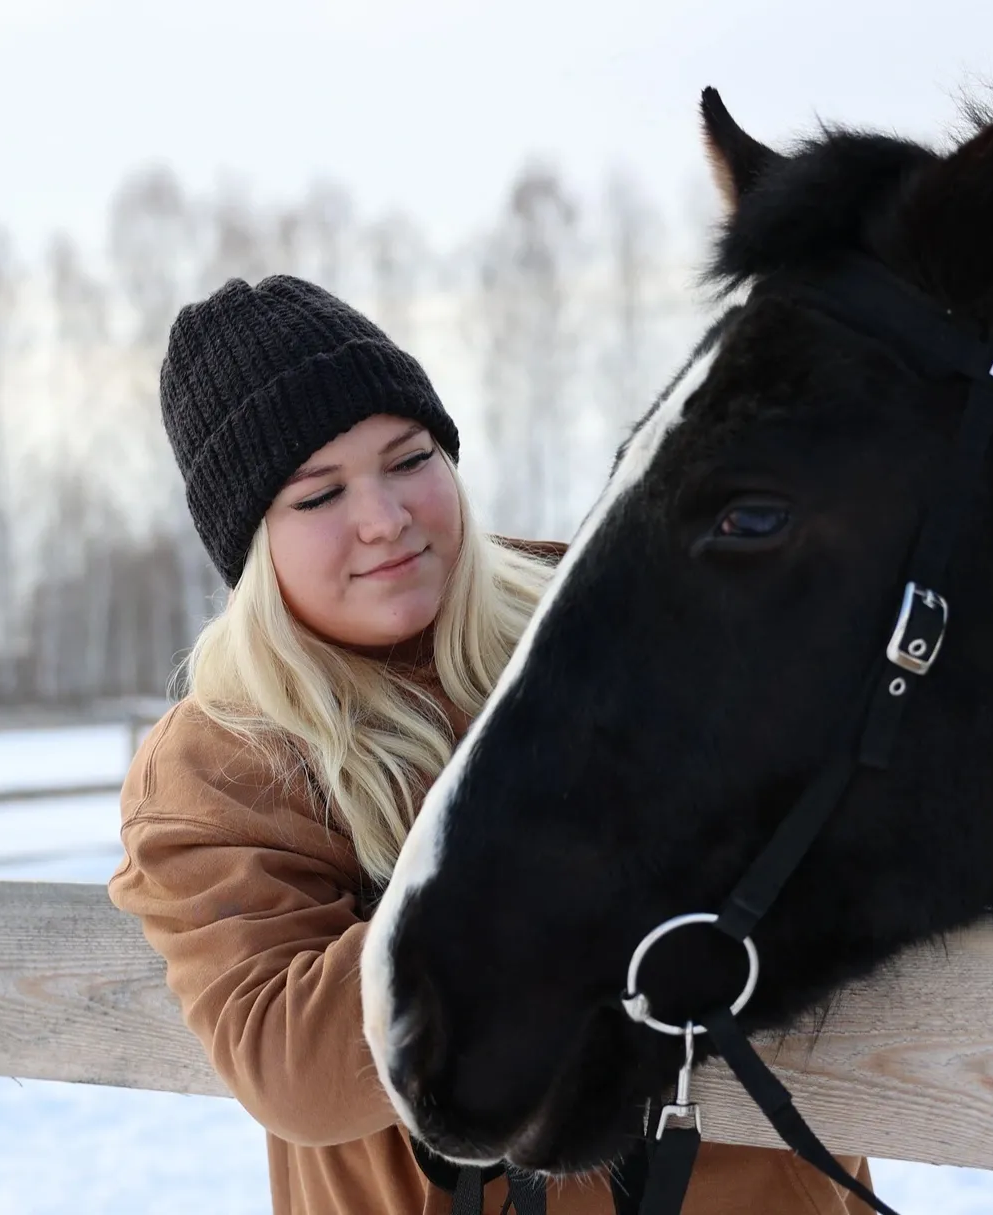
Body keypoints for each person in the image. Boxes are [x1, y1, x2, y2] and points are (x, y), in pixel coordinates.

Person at [107, 274, 872, 1215]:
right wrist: (553, 853)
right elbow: (293, 1060)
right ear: (251, 545)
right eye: (317, 496)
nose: (384, 517)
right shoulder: (225, 759)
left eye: (408, 458)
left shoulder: (605, 607)